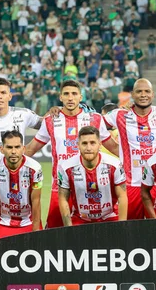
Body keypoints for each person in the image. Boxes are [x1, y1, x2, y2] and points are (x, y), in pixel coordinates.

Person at [24, 80, 119, 228]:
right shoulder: (50, 120)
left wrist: (135, 159)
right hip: (60, 186)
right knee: (55, 232)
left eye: (74, 94)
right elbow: (30, 149)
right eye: (66, 94)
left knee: (95, 229)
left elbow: (113, 147)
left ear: (80, 97)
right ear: (60, 97)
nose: (70, 98)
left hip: (91, 185)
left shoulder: (94, 119)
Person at [103, 78, 156, 220]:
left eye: (147, 91)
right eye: (139, 91)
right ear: (132, 94)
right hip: (131, 185)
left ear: (153, 94)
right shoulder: (120, 114)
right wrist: (119, 150)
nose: (143, 95)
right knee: (130, 229)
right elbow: (96, 124)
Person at [58, 126, 128, 226]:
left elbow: (122, 197)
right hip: (80, 219)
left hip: (110, 218)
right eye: (84, 143)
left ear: (100, 145)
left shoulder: (114, 165)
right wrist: (68, 228)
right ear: (78, 145)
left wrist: (122, 226)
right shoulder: (66, 168)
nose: (88, 148)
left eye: (92, 143)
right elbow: (63, 199)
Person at [0, 130, 44, 241]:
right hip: (2, 221)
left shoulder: (35, 168)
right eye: (9, 147)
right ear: (1, 149)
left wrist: (36, 231)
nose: (13, 151)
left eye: (17, 147)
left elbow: (36, 201)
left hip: (28, 221)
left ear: (23, 149)